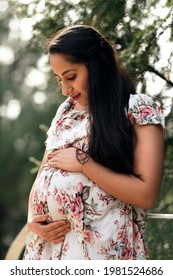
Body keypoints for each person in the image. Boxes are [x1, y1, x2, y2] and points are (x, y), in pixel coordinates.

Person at [23, 25, 164, 260]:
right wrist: (32, 221)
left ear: (97, 65)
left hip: (104, 254)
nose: (66, 90)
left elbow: (146, 195)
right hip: (48, 253)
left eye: (71, 77)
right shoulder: (65, 111)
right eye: (59, 80)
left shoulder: (138, 109)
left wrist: (84, 163)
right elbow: (43, 174)